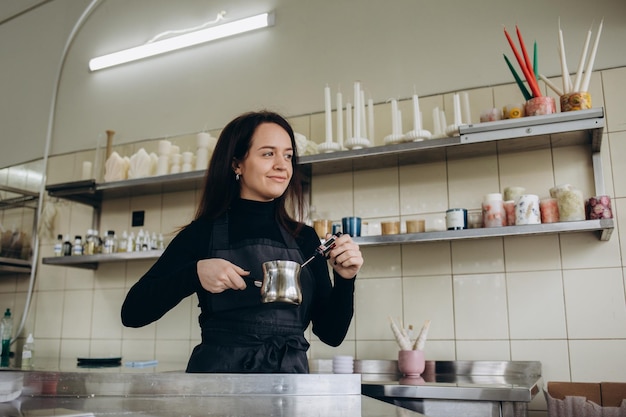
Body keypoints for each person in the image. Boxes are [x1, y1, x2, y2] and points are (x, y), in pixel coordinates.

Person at [121, 110, 363, 373]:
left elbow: (331, 334)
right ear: (237, 163)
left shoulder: (304, 238)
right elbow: (132, 313)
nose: (282, 165)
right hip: (218, 394)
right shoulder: (203, 233)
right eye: (268, 153)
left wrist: (345, 279)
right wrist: (194, 273)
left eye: (288, 155)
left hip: (288, 392)